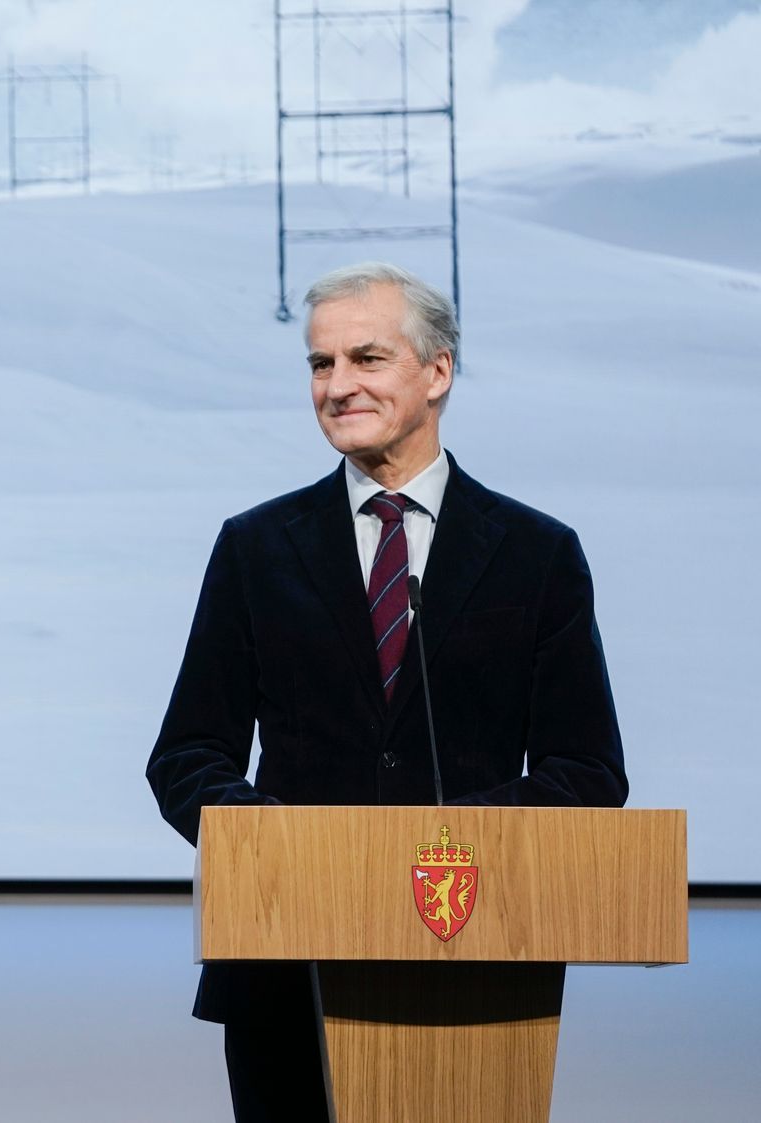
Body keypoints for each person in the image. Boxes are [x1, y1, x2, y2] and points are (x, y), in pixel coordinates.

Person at [144, 261, 626, 1121]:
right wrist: (287, 847)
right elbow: (186, 755)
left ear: (438, 371)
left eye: (366, 358)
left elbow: (588, 772)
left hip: (474, 960)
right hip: (284, 967)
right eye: (320, 364)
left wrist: (434, 846)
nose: (337, 386)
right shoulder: (256, 547)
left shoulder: (537, 553)